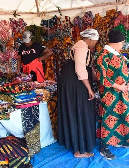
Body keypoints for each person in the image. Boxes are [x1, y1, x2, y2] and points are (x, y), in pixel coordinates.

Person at [95, 29, 129, 160]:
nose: (123, 45)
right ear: (117, 42)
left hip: (121, 93)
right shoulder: (103, 56)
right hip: (110, 94)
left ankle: (119, 139)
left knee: (121, 116)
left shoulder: (118, 54)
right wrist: (119, 86)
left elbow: (125, 71)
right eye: (122, 42)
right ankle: (104, 147)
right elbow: (101, 77)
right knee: (108, 118)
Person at [57, 29, 99, 158]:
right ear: (90, 39)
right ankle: (79, 150)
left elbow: (85, 67)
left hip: (72, 81)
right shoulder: (81, 47)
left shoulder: (82, 45)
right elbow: (80, 69)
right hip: (74, 83)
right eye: (95, 42)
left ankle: (77, 143)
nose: (95, 44)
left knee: (77, 110)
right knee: (79, 111)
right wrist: (89, 89)